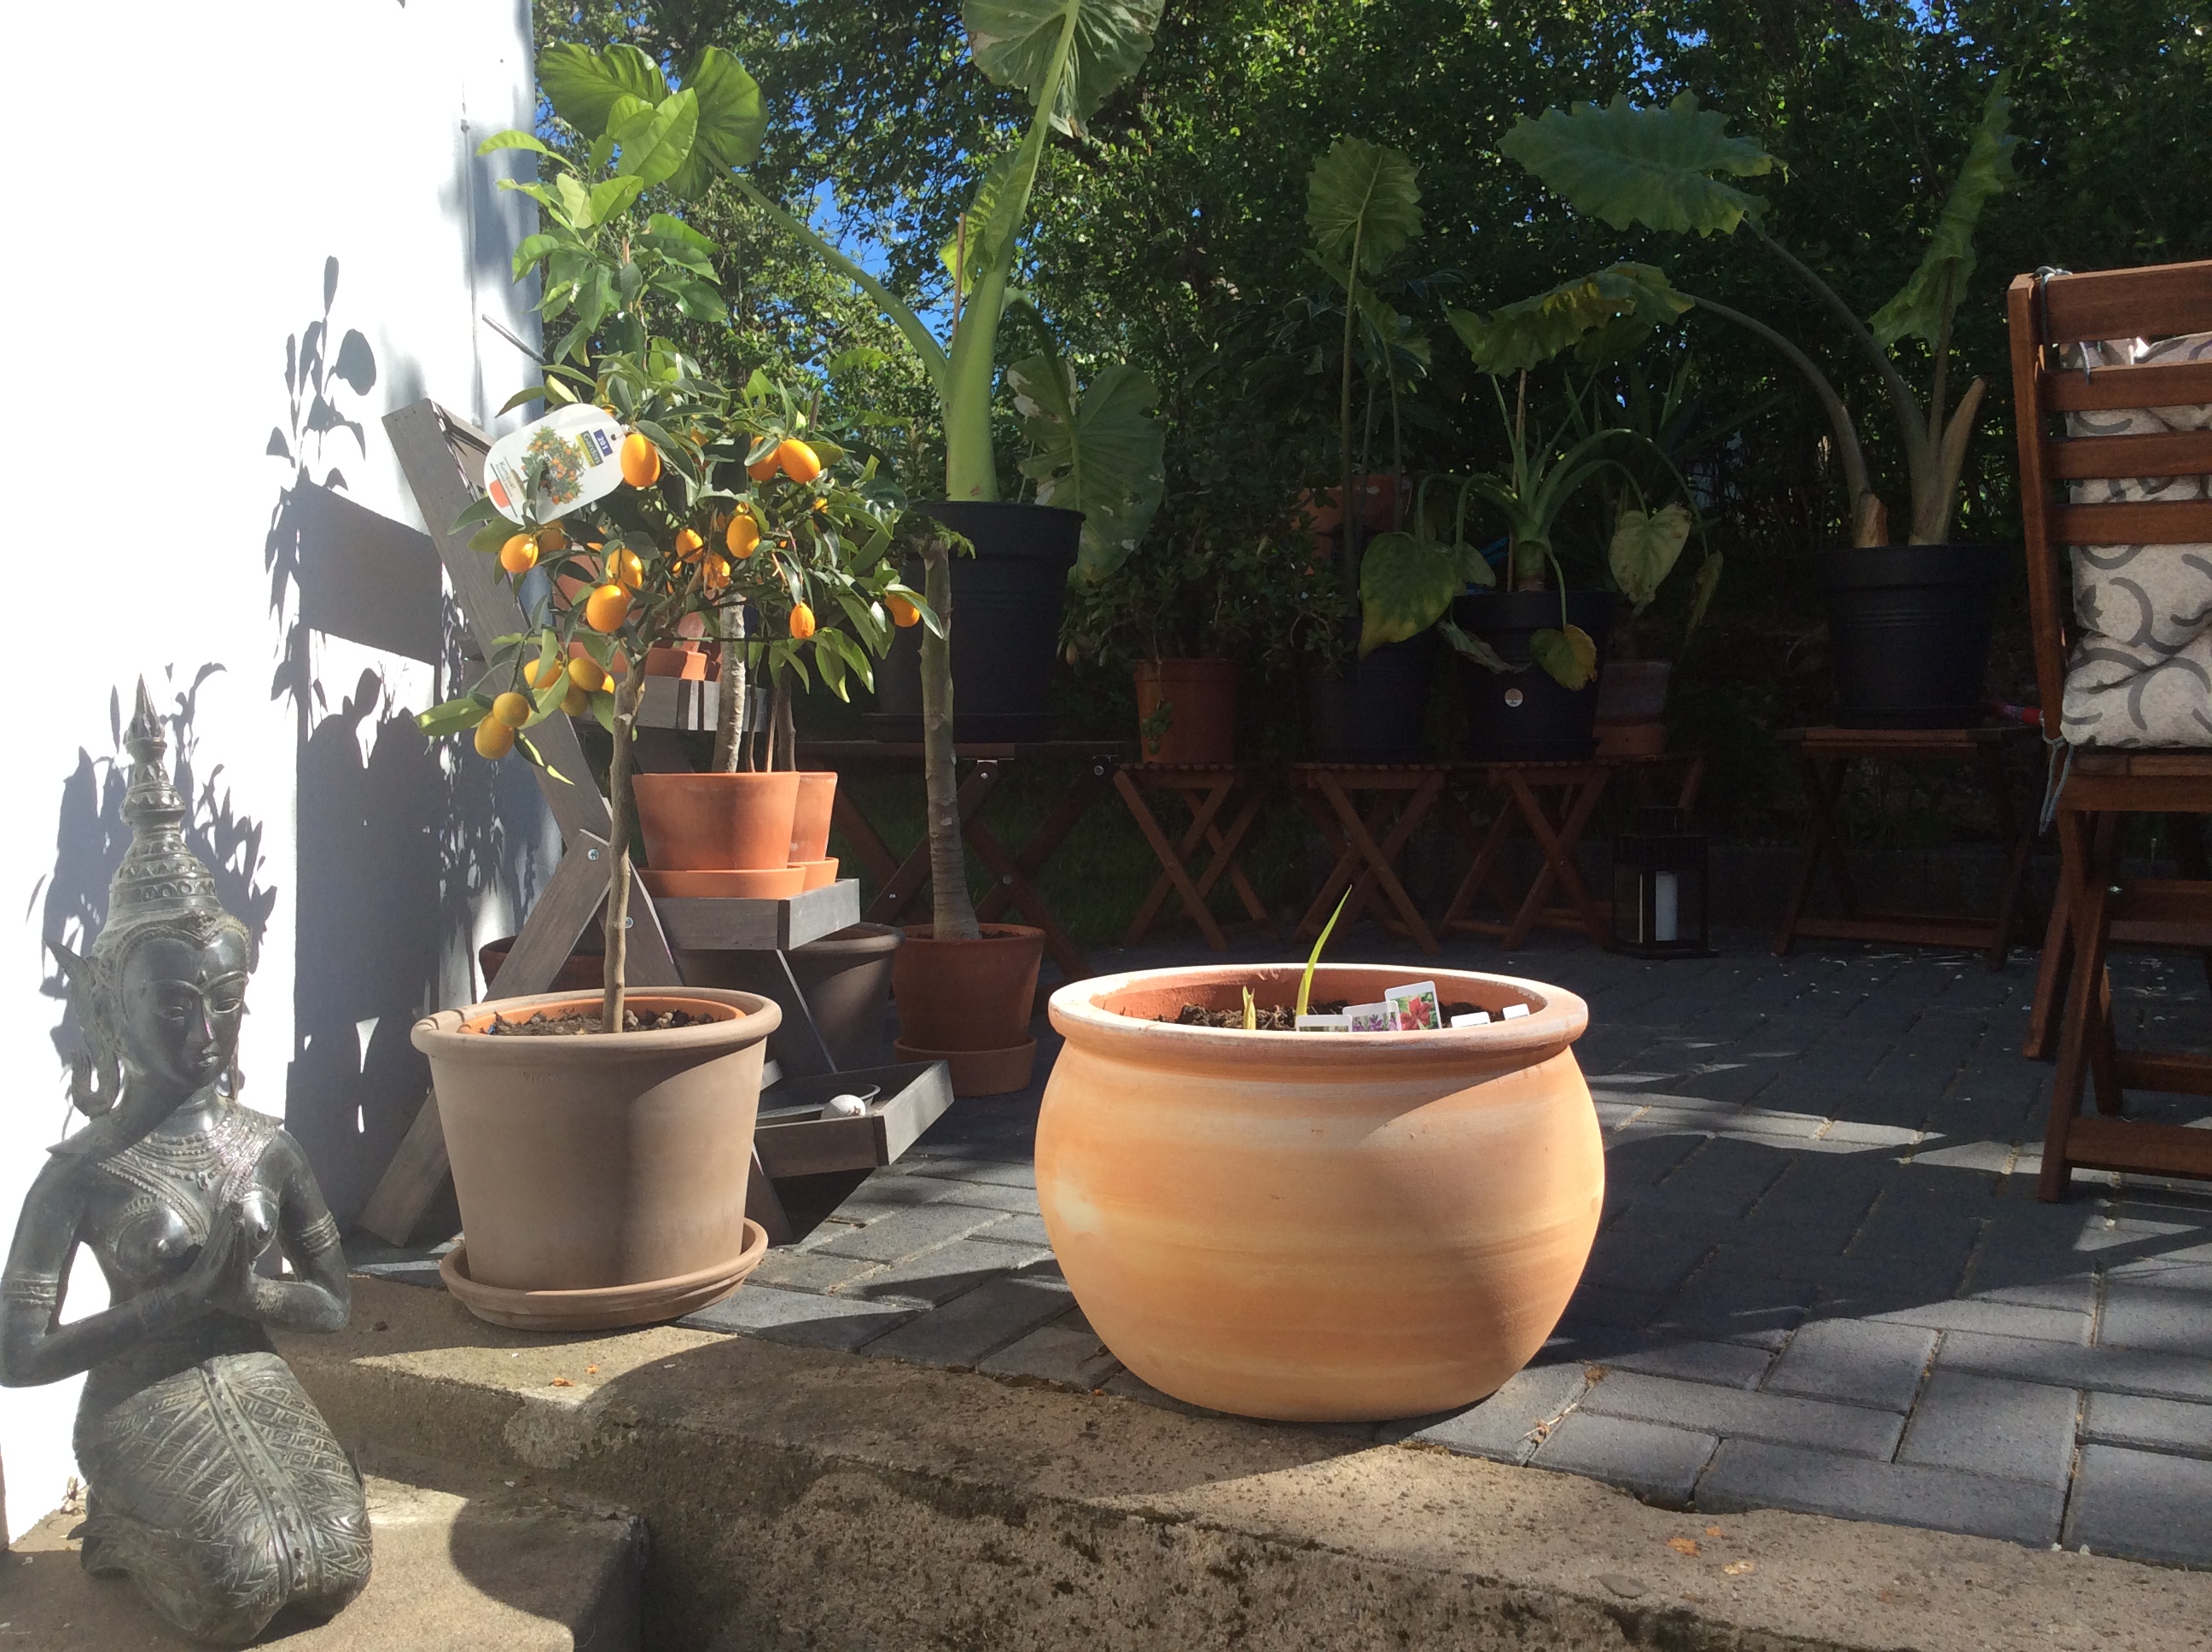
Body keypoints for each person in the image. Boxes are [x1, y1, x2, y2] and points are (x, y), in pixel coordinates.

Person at [0, 683, 369, 1644]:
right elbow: (16, 1354)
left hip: (251, 1372)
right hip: (137, 1395)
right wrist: (176, 1302)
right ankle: (121, 1521)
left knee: (335, 1554)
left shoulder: (267, 1144)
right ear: (109, 1007)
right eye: (172, 1006)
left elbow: (334, 1303)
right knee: (241, 1584)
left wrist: (246, 1296)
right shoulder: (82, 1172)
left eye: (224, 1000)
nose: (206, 1033)